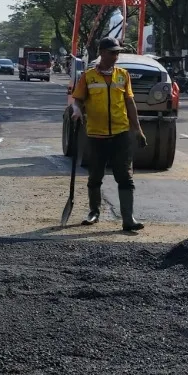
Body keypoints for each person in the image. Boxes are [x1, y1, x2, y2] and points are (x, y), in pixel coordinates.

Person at [67, 37, 145, 232]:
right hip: (96, 136)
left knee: (125, 177)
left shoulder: (123, 75)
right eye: (112, 52)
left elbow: (130, 103)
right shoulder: (88, 76)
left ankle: (128, 218)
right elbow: (77, 100)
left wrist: (138, 130)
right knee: (95, 177)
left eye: (117, 52)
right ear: (102, 52)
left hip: (121, 134)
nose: (116, 56)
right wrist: (76, 110)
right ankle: (94, 212)